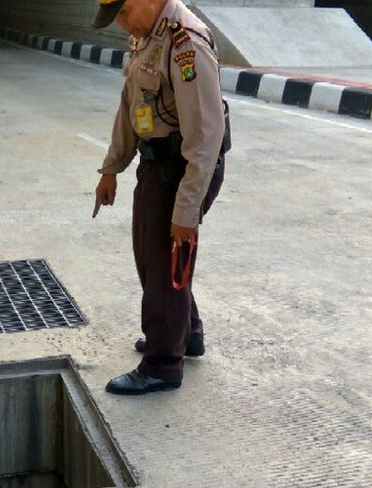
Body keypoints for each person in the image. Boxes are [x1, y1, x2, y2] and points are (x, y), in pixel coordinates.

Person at [91, 0, 227, 395]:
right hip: (157, 165)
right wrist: (111, 168)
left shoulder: (186, 43)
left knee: (166, 263)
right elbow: (130, 107)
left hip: (184, 170)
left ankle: (163, 364)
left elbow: (205, 139)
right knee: (155, 259)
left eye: (123, 13)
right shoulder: (147, 35)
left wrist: (186, 210)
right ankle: (186, 335)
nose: (121, 24)